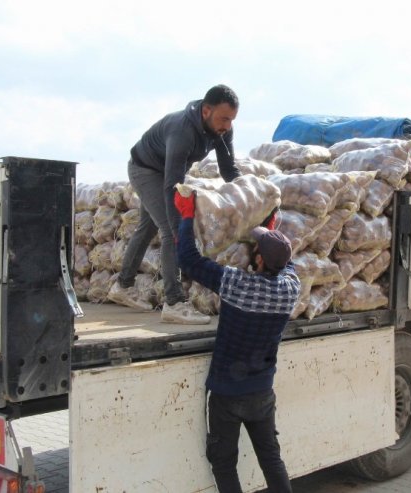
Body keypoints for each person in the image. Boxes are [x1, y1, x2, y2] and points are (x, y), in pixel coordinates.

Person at [174, 191, 300, 493]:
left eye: (255, 248)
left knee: (223, 462)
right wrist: (271, 233)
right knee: (271, 458)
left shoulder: (236, 284)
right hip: (261, 393)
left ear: (257, 258)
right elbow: (287, 263)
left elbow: (189, 260)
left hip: (227, 394)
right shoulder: (290, 290)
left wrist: (186, 216)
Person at [107, 84, 241, 324]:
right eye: (224, 119)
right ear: (206, 111)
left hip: (166, 173)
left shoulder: (221, 130)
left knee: (147, 228)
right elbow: (172, 185)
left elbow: (228, 169)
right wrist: (180, 227)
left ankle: (123, 286)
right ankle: (174, 303)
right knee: (171, 230)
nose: (228, 126)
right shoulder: (183, 130)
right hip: (146, 170)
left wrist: (248, 192)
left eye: (231, 120)